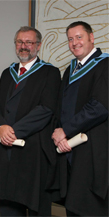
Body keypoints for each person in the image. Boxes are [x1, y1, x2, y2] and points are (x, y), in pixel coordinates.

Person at [0, 26, 61, 216]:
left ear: (39, 45)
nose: (24, 46)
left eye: (29, 42)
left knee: (37, 206)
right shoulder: (7, 72)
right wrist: (1, 127)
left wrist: (13, 131)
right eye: (20, 42)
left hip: (34, 150)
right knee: (8, 204)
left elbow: (46, 109)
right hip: (6, 150)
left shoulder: (50, 73)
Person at [52, 21, 108, 216]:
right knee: (73, 206)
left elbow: (100, 107)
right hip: (70, 149)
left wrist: (65, 130)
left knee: (90, 207)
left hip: (93, 149)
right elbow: (61, 106)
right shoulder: (71, 69)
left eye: (79, 37)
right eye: (70, 39)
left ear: (91, 38)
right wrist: (60, 134)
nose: (74, 42)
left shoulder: (105, 64)